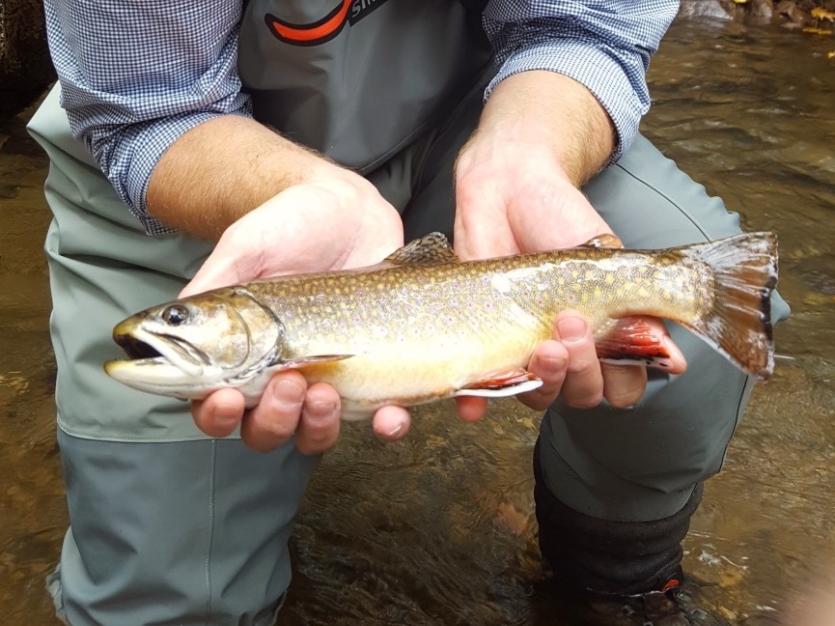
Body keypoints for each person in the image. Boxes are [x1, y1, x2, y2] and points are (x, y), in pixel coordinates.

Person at [27, 0, 789, 624]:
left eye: (182, 325)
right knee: (164, 606)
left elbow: (582, 28)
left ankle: (615, 588)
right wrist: (317, 194)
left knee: (677, 353)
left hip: (474, 123)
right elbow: (148, 112)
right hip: (192, 177)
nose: (174, 332)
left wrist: (524, 152)